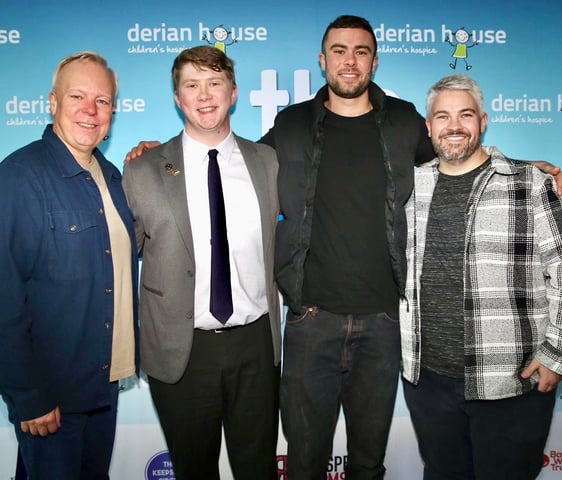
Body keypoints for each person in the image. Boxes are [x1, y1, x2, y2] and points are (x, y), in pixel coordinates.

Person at [124, 15, 562, 480]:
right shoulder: (290, 126)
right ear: (322, 60)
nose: (348, 61)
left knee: (368, 461)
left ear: (374, 60)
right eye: (338, 51)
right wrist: (162, 153)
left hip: (384, 325)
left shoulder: (403, 120)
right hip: (312, 323)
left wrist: (529, 168)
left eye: (360, 51)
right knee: (305, 460)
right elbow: (232, 157)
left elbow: (458, 155)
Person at [122, 45, 281, 480]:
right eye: (192, 85)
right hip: (181, 349)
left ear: (233, 92)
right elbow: (119, 258)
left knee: (259, 468)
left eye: (215, 83)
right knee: (194, 470)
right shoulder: (144, 169)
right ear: (177, 98)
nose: (205, 95)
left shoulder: (266, 162)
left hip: (256, 345)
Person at [400, 73, 562, 479]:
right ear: (428, 126)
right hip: (428, 382)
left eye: (465, 115)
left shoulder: (529, 183)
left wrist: (555, 354)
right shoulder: (408, 187)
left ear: (483, 121)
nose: (454, 126)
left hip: (510, 383)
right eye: (443, 116)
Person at [0, 51, 138, 479]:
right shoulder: (19, 177)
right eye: (78, 96)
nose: (90, 111)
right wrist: (28, 394)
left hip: (103, 385)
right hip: (53, 399)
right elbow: (3, 294)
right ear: (52, 101)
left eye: (103, 101)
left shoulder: (111, 176)